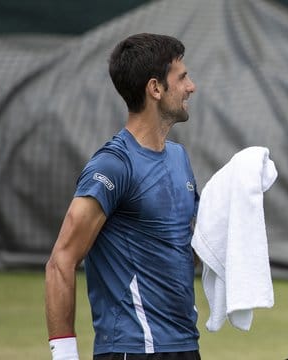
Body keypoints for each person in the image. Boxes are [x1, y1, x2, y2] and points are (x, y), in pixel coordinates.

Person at [45, 33, 201, 360]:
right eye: (183, 77)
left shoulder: (179, 158)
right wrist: (64, 354)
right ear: (155, 88)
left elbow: (186, 250)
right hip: (132, 350)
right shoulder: (113, 165)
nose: (192, 87)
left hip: (185, 346)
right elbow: (62, 259)